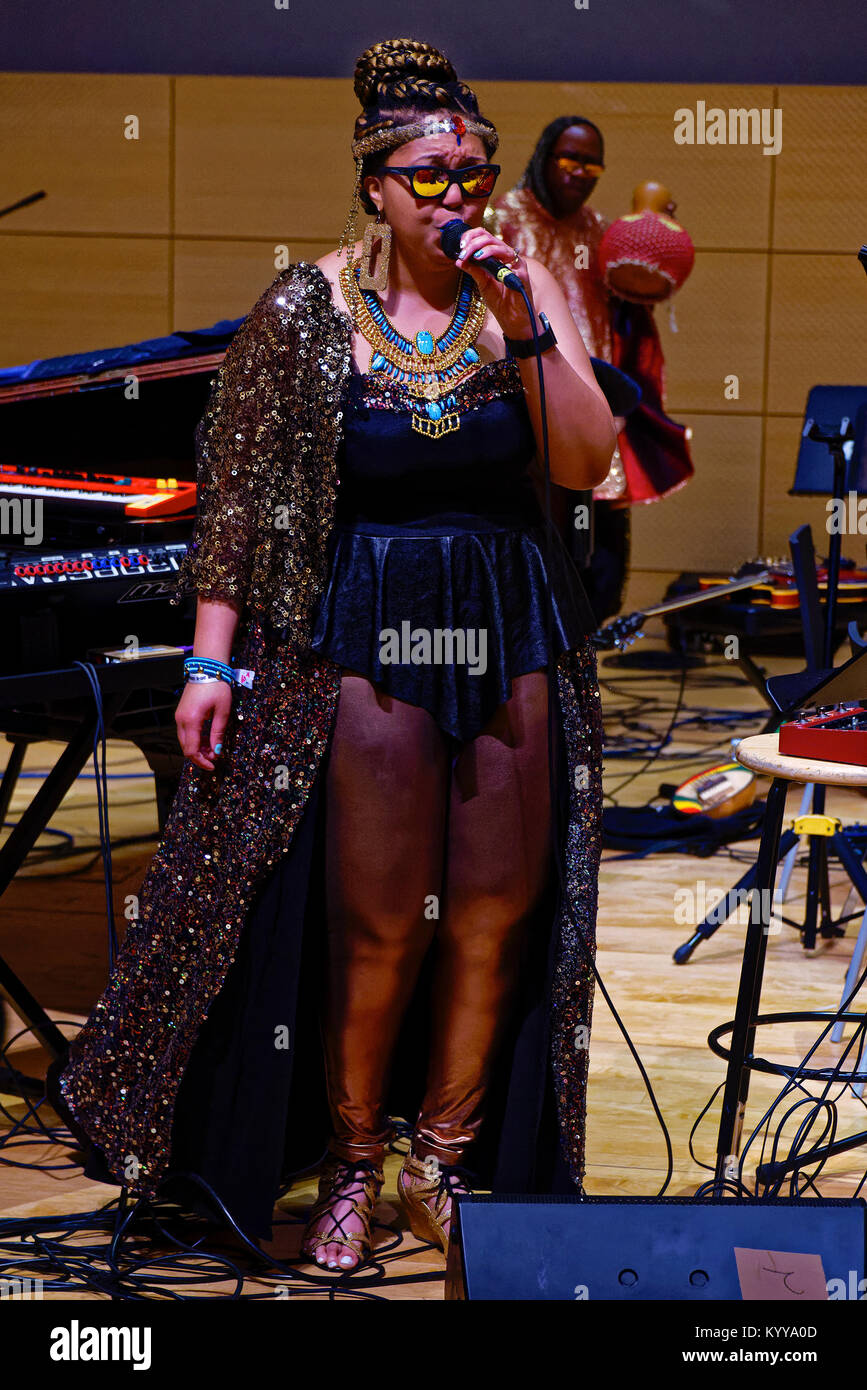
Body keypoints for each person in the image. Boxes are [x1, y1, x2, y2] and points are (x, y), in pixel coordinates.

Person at [47, 38, 613, 1277]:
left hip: (506, 615)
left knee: (492, 914)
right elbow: (238, 506)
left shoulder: (522, 299)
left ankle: (444, 1167)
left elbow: (583, 467)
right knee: (377, 920)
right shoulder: (308, 312)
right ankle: (352, 1165)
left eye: (472, 173)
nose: (456, 197)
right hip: (366, 621)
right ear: (374, 184)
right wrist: (209, 665)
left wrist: (529, 326)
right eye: (430, 177)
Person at [487, 118, 692, 623]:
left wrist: (654, 235)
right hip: (524, 407)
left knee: (599, 568)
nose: (581, 171)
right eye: (569, 158)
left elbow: (636, 297)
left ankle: (581, 675)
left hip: (592, 404)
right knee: (535, 563)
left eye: (592, 162)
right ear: (543, 155)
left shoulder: (600, 230)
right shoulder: (501, 220)